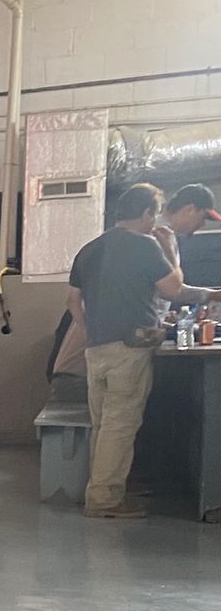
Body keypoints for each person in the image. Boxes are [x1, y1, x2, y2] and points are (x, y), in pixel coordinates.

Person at [69, 183, 216, 519]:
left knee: (104, 423)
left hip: (96, 350)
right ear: (147, 212)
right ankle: (104, 500)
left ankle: (105, 488)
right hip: (129, 348)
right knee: (120, 424)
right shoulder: (146, 245)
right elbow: (174, 289)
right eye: (154, 215)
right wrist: (172, 252)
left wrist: (90, 330)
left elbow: (72, 302)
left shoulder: (90, 248)